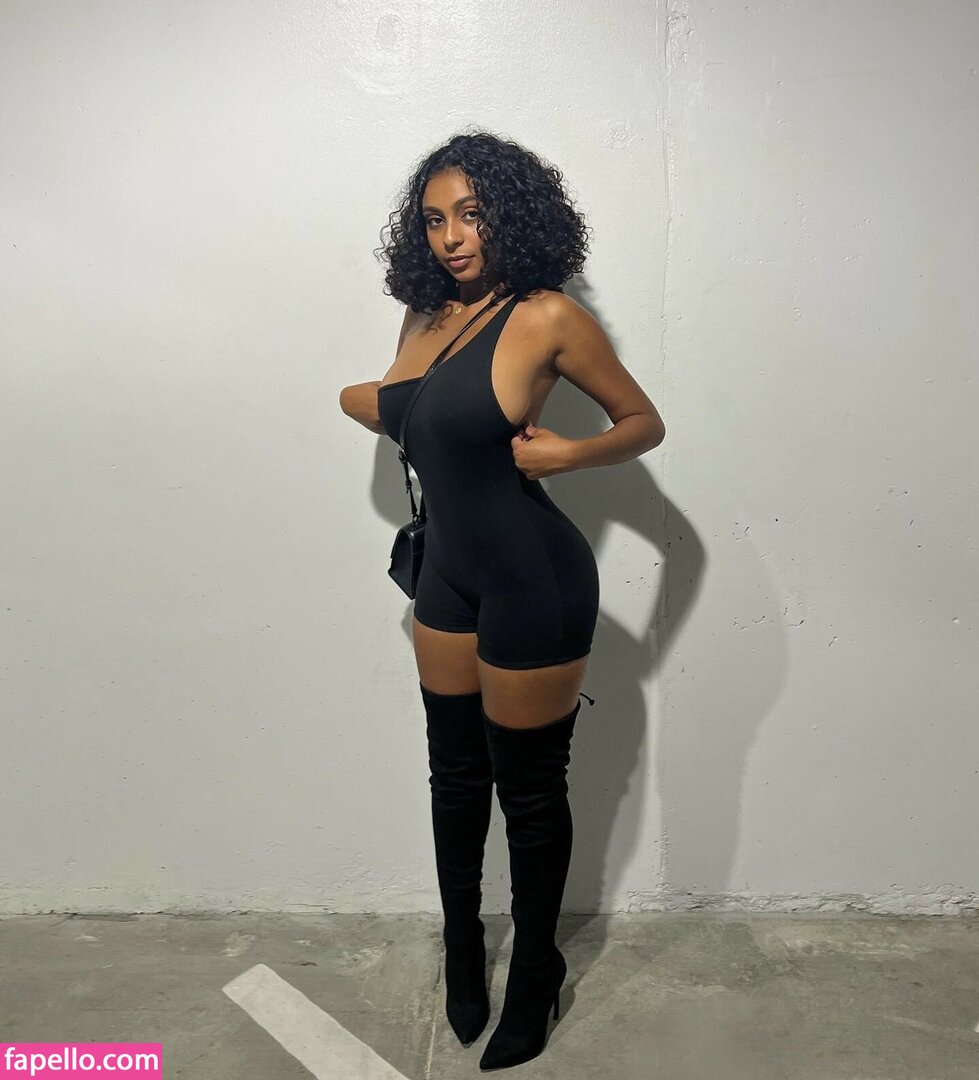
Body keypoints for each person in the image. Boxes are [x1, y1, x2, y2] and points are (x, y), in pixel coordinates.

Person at [339, 130, 665, 1071]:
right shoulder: (423, 315)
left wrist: (569, 453)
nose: (450, 237)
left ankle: (535, 971)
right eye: (434, 219)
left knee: (527, 790)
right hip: (444, 571)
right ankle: (463, 947)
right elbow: (413, 409)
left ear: (512, 215)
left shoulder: (548, 315)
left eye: (471, 215)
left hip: (534, 575)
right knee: (452, 775)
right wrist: (359, 399)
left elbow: (642, 422)